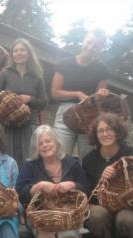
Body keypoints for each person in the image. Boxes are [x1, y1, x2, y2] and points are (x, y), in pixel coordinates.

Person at [16, 125, 89, 238]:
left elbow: (86, 188)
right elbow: (20, 192)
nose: (45, 145)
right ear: (37, 148)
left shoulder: (72, 163)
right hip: (41, 214)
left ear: (56, 143)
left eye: (48, 141)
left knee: (69, 228)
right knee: (44, 230)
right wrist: (39, 186)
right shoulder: (30, 166)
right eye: (41, 143)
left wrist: (73, 185)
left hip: (68, 213)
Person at [82, 113, 133, 238]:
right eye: (101, 130)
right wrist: (102, 179)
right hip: (101, 208)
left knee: (127, 218)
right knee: (96, 214)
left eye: (109, 129)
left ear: (118, 132)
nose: (105, 134)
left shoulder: (132, 153)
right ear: (95, 134)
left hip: (126, 207)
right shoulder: (89, 159)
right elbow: (86, 193)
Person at [51, 29, 109, 159]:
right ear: (83, 41)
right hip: (65, 113)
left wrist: (101, 94)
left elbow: (99, 99)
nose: (90, 47)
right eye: (89, 43)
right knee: (60, 156)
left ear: (100, 49)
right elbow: (55, 93)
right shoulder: (64, 64)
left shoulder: (102, 69)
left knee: (89, 158)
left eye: (96, 46)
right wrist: (77, 94)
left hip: (90, 115)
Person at [0, 38, 47, 168]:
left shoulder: (37, 76)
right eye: (16, 51)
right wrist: (8, 101)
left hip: (30, 123)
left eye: (22, 50)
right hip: (9, 124)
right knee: (8, 159)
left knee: (31, 159)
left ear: (29, 53)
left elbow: (44, 102)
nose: (19, 53)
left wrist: (30, 99)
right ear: (12, 54)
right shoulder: (5, 73)